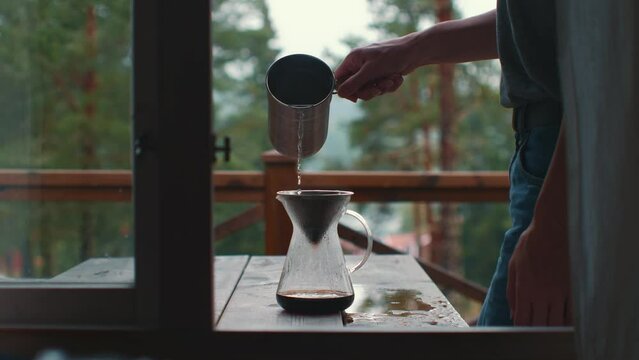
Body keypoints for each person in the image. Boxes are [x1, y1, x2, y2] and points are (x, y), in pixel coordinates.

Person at [334, 1, 572, 326]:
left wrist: (554, 229)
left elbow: (608, 75)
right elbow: (534, 22)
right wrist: (411, 49)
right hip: (548, 153)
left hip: (568, 158)